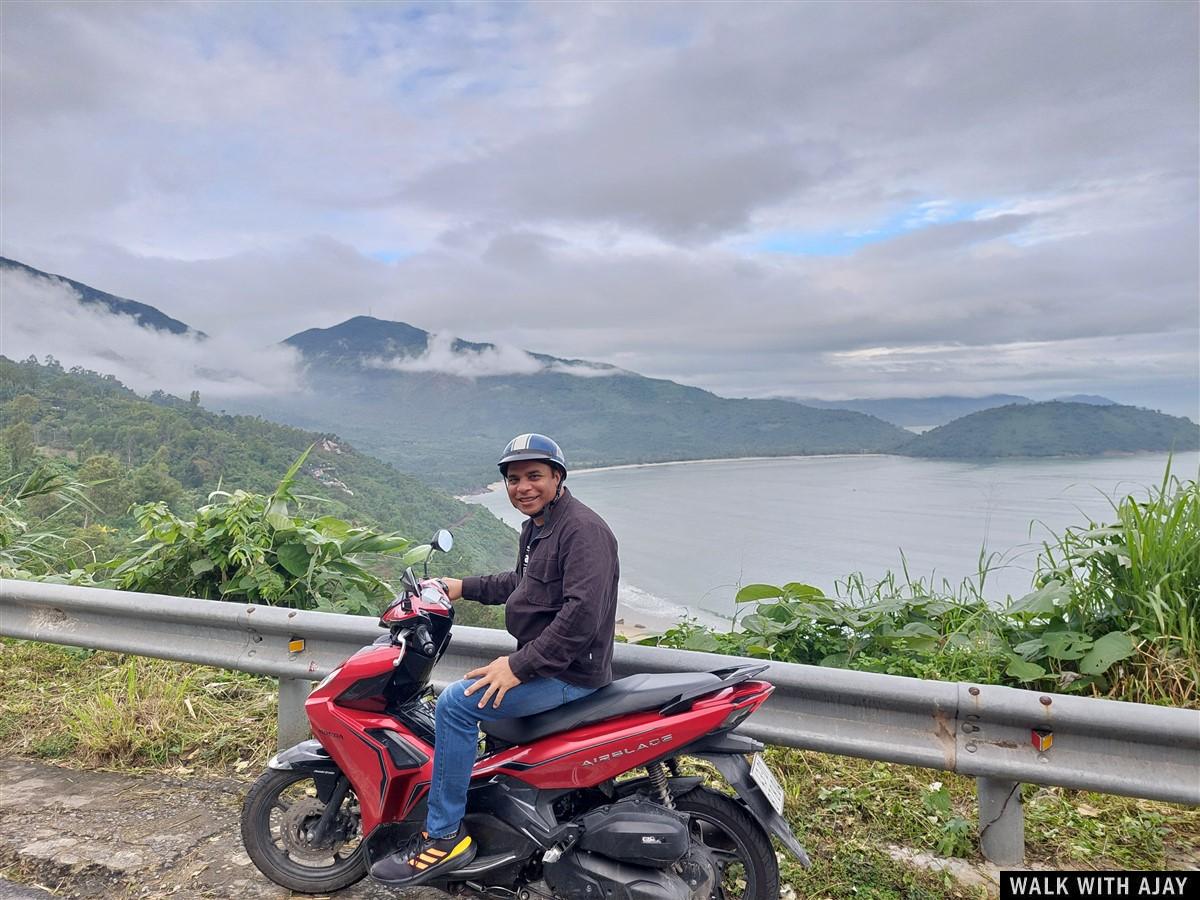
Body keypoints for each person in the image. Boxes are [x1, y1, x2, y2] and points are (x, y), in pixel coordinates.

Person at [371, 433, 620, 887]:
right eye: (514, 479)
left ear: (557, 478)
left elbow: (580, 617)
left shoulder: (583, 531)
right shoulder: (539, 526)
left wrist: (518, 666)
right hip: (547, 662)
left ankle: (443, 838)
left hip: (568, 673)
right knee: (464, 699)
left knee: (455, 705)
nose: (523, 487)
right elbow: (522, 583)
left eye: (534, 477)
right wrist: (460, 586)